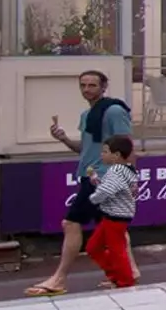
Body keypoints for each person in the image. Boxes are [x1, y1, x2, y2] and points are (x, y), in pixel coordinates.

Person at [25, 70, 134, 297]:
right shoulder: (87, 115)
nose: (87, 90)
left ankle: (59, 278)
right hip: (89, 175)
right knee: (112, 228)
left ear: (103, 87)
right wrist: (63, 138)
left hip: (104, 178)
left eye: (92, 85)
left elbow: (127, 147)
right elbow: (84, 150)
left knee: (71, 223)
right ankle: (129, 271)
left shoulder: (113, 111)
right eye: (83, 85)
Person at [85, 135, 140, 289]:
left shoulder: (116, 170)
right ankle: (116, 274)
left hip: (116, 217)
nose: (102, 155)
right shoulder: (126, 170)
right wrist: (97, 181)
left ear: (116, 155)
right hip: (113, 216)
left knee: (116, 250)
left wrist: (92, 199)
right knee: (93, 247)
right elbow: (113, 188)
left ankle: (125, 280)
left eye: (105, 152)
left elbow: (106, 191)